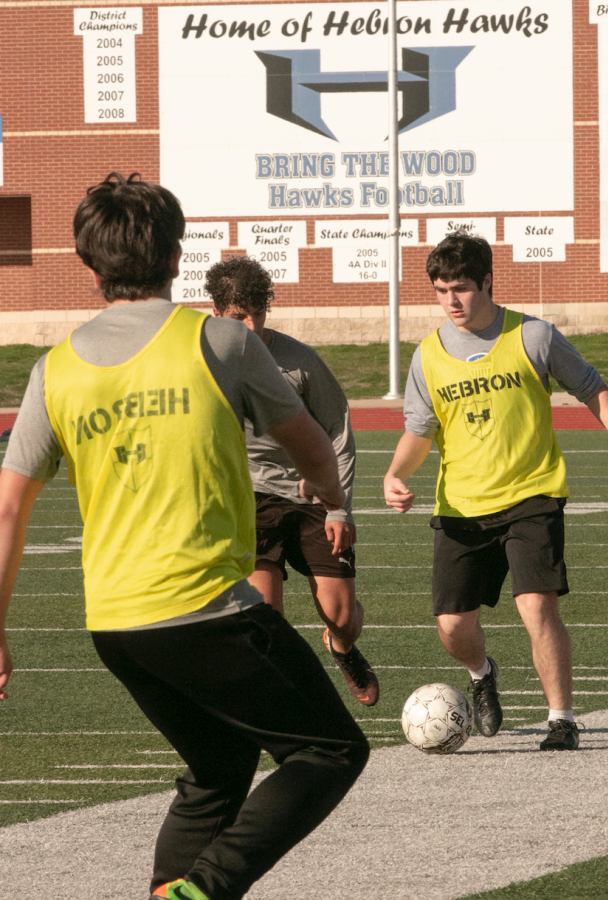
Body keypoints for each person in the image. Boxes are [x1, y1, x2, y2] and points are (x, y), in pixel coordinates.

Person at [0, 173, 369, 900]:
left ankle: (172, 892)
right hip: (206, 613)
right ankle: (205, 890)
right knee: (329, 750)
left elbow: (7, 510)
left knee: (217, 773)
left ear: (88, 263)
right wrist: (328, 499)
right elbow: (314, 449)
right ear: (176, 255)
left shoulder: (55, 371)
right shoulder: (221, 340)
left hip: (116, 625)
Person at [383, 232, 608, 751]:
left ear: (487, 281)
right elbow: (419, 430)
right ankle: (482, 673)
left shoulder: (534, 336)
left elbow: (592, 388)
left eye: (461, 288)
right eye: (441, 291)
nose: (451, 301)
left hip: (533, 495)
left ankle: (562, 719)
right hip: (461, 505)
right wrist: (397, 473)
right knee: (452, 625)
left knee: (537, 606)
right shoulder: (427, 355)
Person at [205, 256, 378, 707]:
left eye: (257, 313)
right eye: (239, 316)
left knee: (340, 615)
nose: (251, 324)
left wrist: (339, 506)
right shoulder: (202, 362)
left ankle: (341, 647)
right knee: (267, 618)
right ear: (217, 312)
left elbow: (338, 430)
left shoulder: (299, 361)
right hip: (249, 499)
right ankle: (295, 707)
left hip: (311, 494)